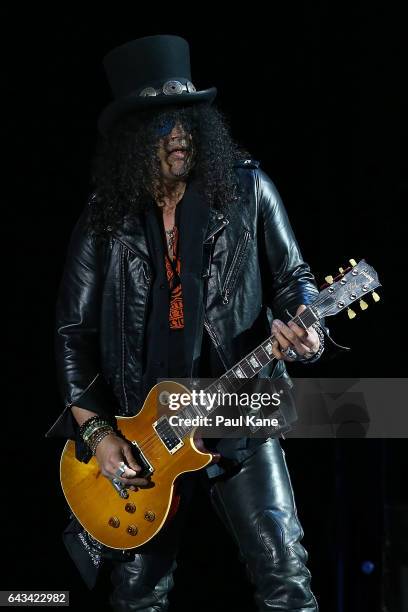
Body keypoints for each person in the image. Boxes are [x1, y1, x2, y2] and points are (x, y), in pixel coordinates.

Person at [46, 35, 326, 611]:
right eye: (161, 124)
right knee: (140, 597)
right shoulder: (105, 220)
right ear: (130, 139)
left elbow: (295, 279)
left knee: (287, 581)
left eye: (188, 119)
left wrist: (307, 331)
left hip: (240, 409)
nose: (179, 135)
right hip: (145, 431)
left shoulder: (249, 191)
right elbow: (72, 335)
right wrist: (98, 434)